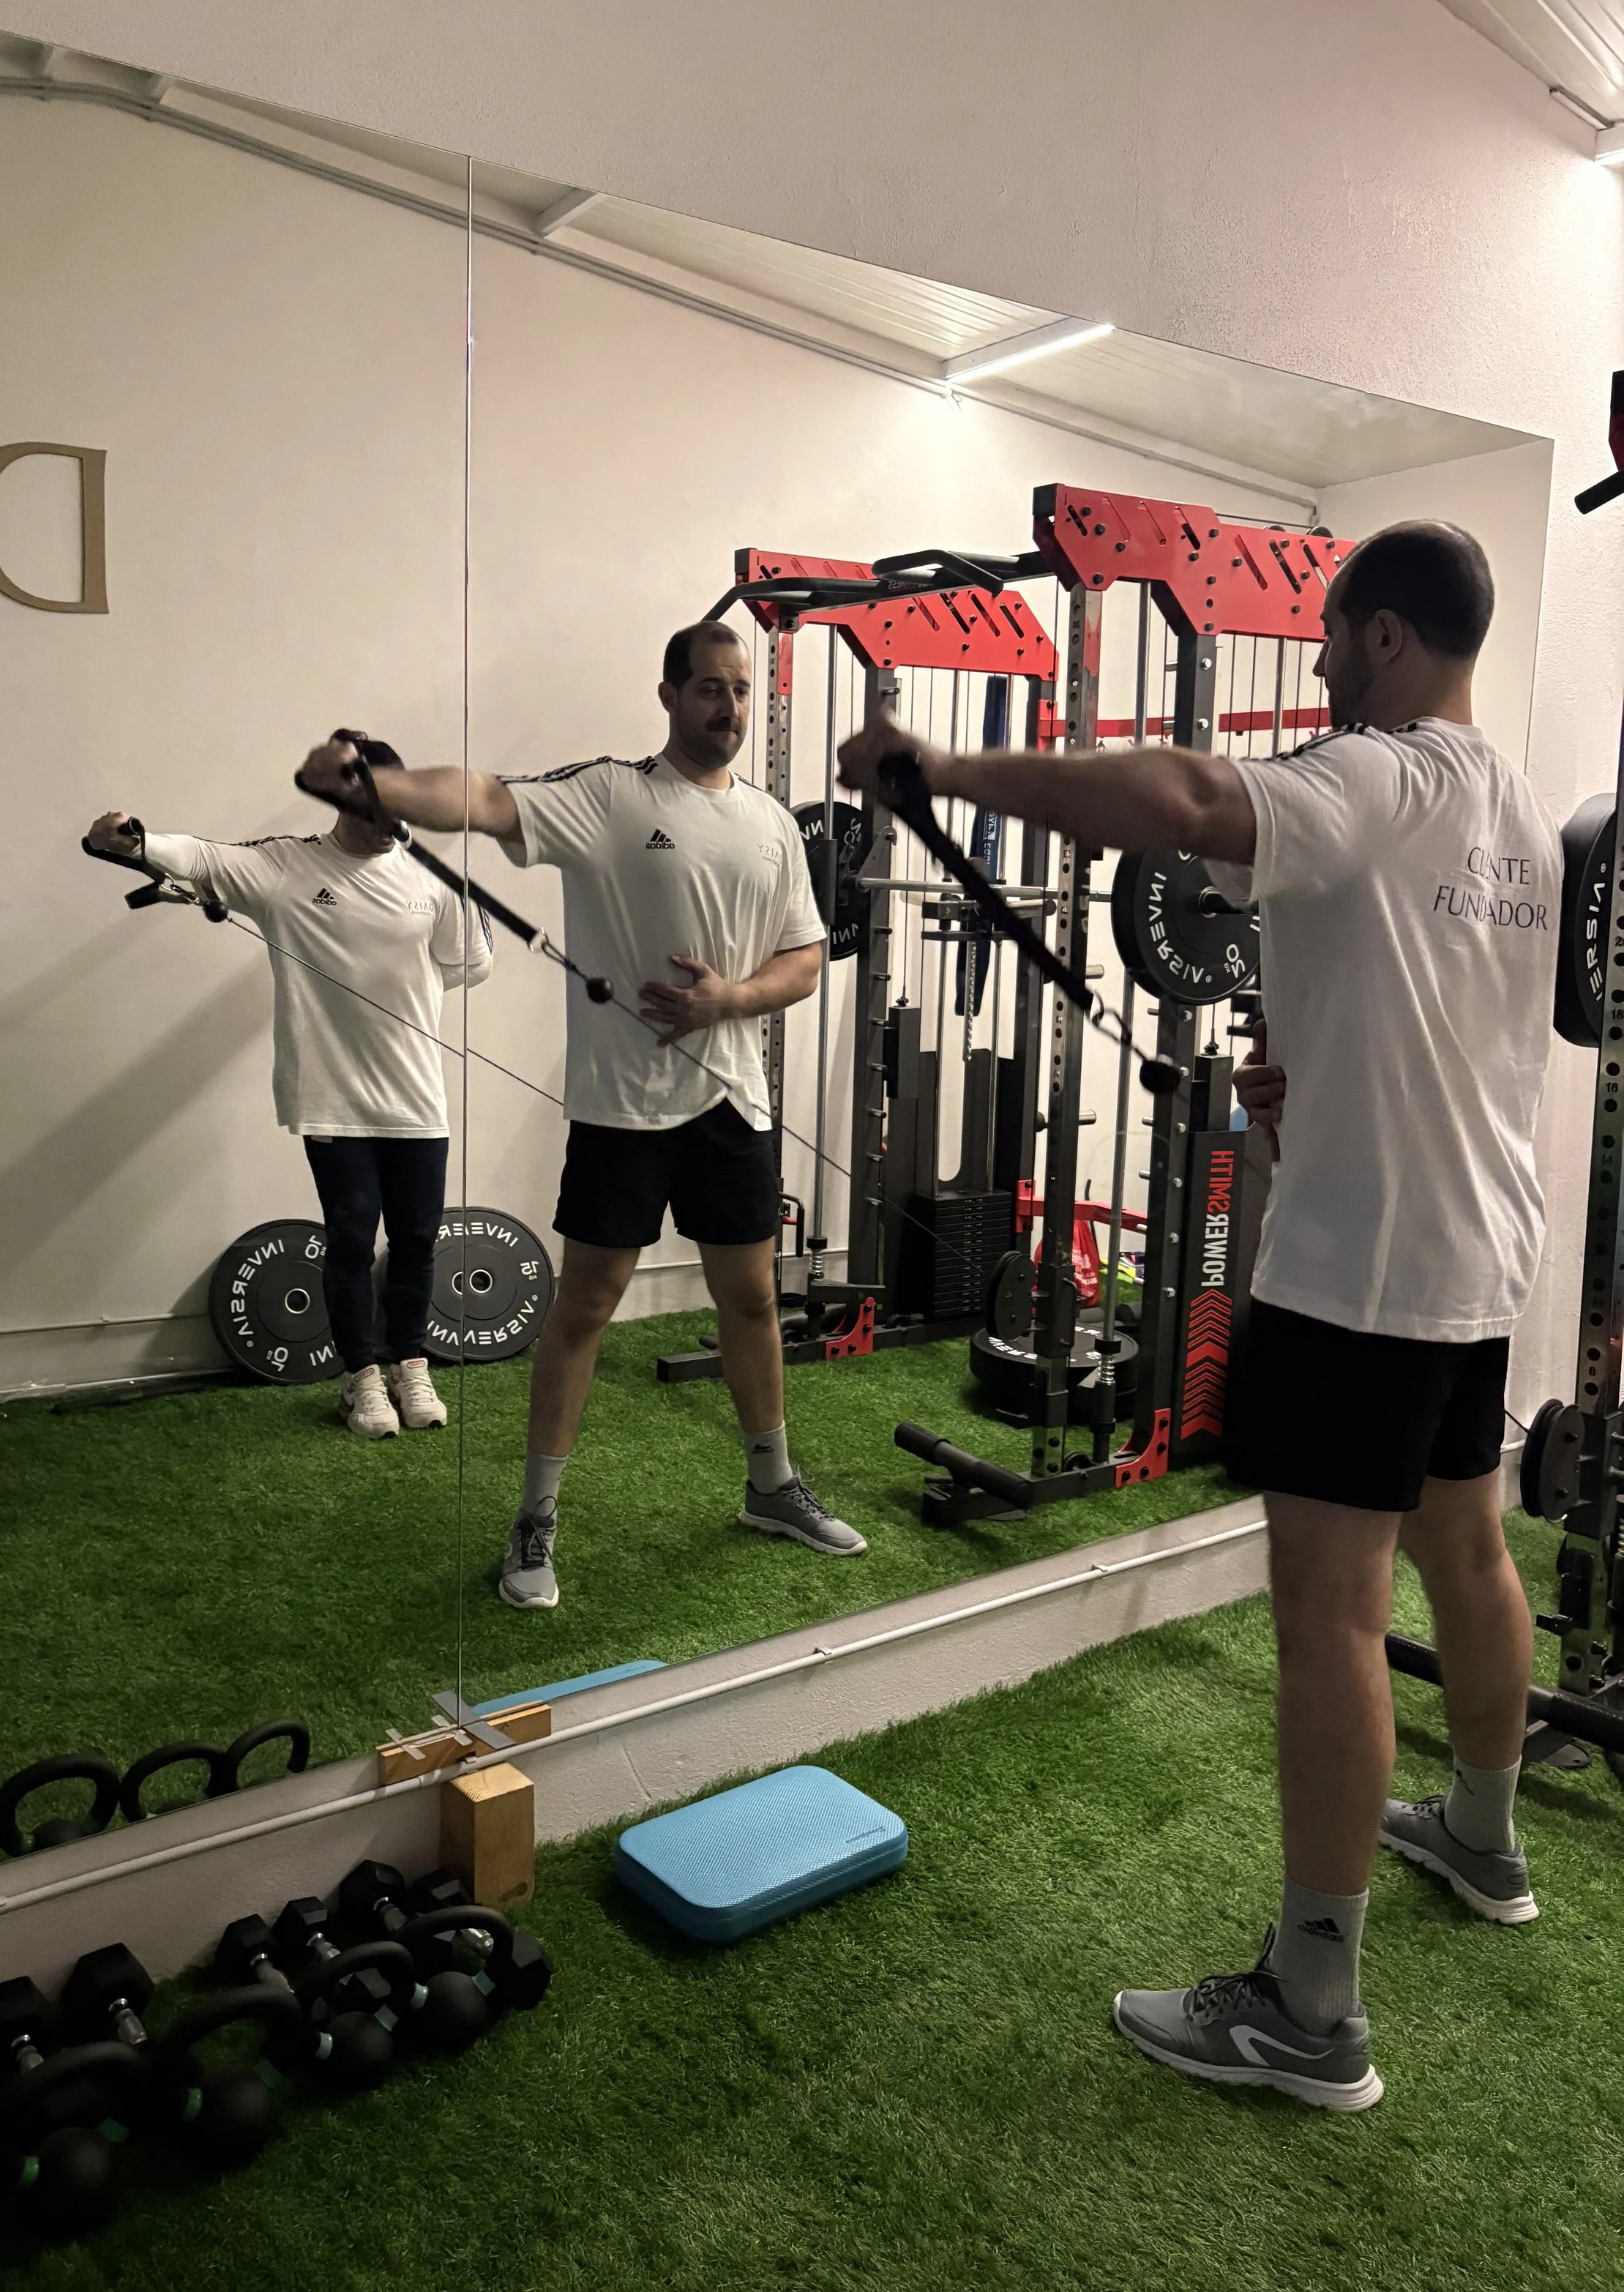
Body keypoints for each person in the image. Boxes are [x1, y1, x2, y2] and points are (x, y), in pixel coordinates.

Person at [839, 521, 1558, 2112]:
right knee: (1471, 1549)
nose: (1310, 662)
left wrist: (940, 768)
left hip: (1357, 1274)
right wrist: (1305, 1070)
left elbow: (1179, 797)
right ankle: (1483, 1835)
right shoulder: (1517, 809)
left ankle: (1310, 2006)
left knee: (1330, 1612)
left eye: (1325, 634)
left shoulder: (1372, 772)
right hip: (1469, 1256)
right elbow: (1436, 1012)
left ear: (1377, 636)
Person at [296, 619, 865, 1611]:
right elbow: (481, 798)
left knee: (754, 1302)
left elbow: (805, 960)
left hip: (734, 1101)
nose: (727, 707)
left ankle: (772, 1485)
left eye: (740, 691)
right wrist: (373, 788)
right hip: (623, 1110)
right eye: (708, 689)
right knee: (586, 1307)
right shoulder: (613, 795)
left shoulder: (773, 824)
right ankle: (534, 1517)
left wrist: (728, 1000)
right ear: (668, 695)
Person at [85, 736, 490, 1440]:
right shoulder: (288, 866)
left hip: (418, 1095)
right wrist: (132, 839)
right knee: (351, 1240)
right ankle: (361, 1380)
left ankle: (410, 1366)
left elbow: (467, 966)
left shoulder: (434, 881)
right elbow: (204, 857)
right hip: (332, 1095)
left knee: (420, 1240)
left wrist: (395, 992)